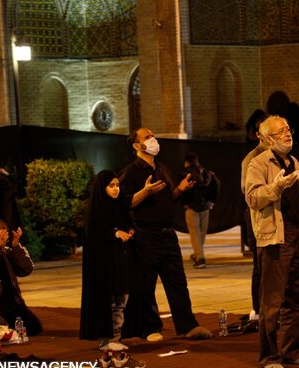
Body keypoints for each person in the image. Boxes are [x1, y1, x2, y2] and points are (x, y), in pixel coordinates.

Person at [245, 115, 299, 368]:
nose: (287, 134)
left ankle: (292, 351)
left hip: (296, 235)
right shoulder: (257, 164)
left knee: (298, 298)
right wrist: (275, 187)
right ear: (268, 139)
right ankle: (269, 358)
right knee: (272, 303)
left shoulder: (293, 161)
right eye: (281, 131)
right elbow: (253, 198)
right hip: (274, 239)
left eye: (288, 129)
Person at [118, 128, 212, 342]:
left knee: (177, 281)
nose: (153, 140)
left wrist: (180, 189)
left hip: (167, 234)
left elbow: (169, 198)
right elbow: (124, 203)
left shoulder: (161, 168)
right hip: (145, 235)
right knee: (145, 285)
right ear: (136, 146)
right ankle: (149, 328)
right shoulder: (131, 172)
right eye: (147, 137)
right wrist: (145, 192)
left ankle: (188, 326)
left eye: (152, 136)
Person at [80, 170, 136, 349]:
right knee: (109, 302)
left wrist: (130, 231)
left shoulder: (119, 207)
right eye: (111, 186)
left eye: (117, 185)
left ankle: (116, 338)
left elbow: (128, 223)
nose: (115, 189)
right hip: (104, 266)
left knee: (121, 300)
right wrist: (114, 233)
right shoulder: (96, 209)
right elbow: (95, 233)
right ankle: (107, 340)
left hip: (120, 263)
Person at [240, 110, 268, 321]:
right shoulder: (252, 159)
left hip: (278, 219)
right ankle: (258, 310)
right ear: (258, 134)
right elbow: (248, 191)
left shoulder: (282, 156)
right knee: (260, 265)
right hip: (258, 219)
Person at [179, 152, 220, 269]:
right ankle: (197, 254)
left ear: (187, 162)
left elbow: (183, 189)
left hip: (192, 208)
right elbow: (217, 185)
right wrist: (212, 201)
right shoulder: (207, 173)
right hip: (205, 207)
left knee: (195, 233)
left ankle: (200, 259)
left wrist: (184, 203)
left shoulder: (185, 174)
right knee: (201, 233)